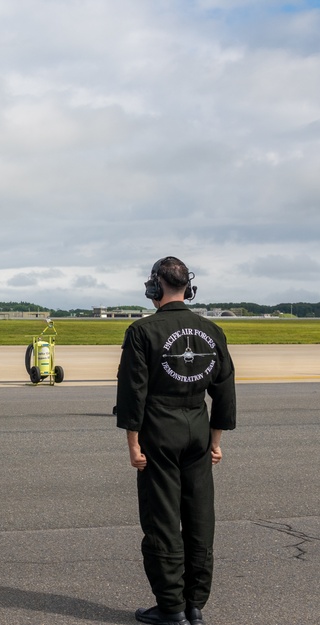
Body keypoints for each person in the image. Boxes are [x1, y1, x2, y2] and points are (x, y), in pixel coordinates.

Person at [116, 257, 236, 625]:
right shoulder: (211, 330)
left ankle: (171, 608)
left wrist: (133, 444)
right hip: (197, 429)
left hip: (159, 432)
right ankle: (195, 604)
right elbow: (225, 390)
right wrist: (215, 440)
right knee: (200, 517)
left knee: (162, 520)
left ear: (155, 287)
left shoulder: (142, 331)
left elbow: (134, 392)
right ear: (189, 287)